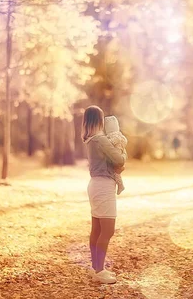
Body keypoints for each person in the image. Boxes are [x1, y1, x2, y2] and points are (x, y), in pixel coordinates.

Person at [82, 106, 126, 284]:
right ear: (99, 121)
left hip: (95, 185)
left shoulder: (90, 139)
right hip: (103, 186)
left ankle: (96, 268)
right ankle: (99, 270)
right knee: (107, 230)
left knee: (97, 230)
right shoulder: (100, 140)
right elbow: (119, 159)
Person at [104, 115, 127, 195]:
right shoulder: (121, 136)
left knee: (116, 173)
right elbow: (125, 141)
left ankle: (121, 185)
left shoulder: (112, 137)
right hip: (120, 155)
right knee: (117, 173)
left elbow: (109, 144)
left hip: (116, 159)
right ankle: (120, 185)